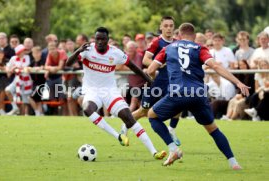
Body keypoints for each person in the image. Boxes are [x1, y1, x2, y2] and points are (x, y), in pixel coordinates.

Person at [147, 23, 250, 169]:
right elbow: (215, 66)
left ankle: (173, 149)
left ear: (179, 36)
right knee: (213, 129)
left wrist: (154, 73)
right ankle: (233, 163)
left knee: (152, 116)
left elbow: (151, 69)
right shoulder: (200, 48)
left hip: (177, 92)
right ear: (194, 37)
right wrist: (238, 82)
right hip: (198, 94)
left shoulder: (168, 48)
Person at [66, 27, 166, 160]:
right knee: (87, 109)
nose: (100, 42)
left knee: (128, 118)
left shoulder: (115, 53)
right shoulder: (87, 50)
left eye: (103, 39)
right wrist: (78, 50)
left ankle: (154, 152)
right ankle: (118, 136)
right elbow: (68, 63)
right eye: (97, 39)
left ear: (108, 40)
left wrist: (147, 78)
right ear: (95, 39)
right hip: (92, 91)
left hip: (110, 91)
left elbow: (133, 66)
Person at [126, 16, 180, 146]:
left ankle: (171, 129)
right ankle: (124, 129)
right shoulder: (157, 42)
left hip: (172, 81)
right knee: (143, 111)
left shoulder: (178, 43)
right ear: (161, 27)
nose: (168, 28)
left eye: (171, 25)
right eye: (166, 25)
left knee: (180, 104)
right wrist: (159, 64)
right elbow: (145, 60)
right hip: (157, 82)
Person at [5, 44, 33, 115]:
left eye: (24, 50)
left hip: (26, 80)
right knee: (8, 90)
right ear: (19, 52)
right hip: (17, 79)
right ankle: (14, 107)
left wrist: (15, 68)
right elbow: (8, 67)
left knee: (25, 99)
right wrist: (10, 69)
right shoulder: (13, 58)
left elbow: (26, 67)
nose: (24, 52)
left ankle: (26, 115)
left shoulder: (27, 57)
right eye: (22, 51)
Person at [28, 46, 46, 116]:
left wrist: (39, 68)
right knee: (38, 100)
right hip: (34, 83)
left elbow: (43, 67)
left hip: (41, 84)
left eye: (37, 53)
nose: (35, 54)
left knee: (30, 98)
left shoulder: (43, 61)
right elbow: (28, 67)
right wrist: (29, 68)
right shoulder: (33, 62)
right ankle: (40, 114)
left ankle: (37, 112)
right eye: (34, 53)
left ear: (40, 53)